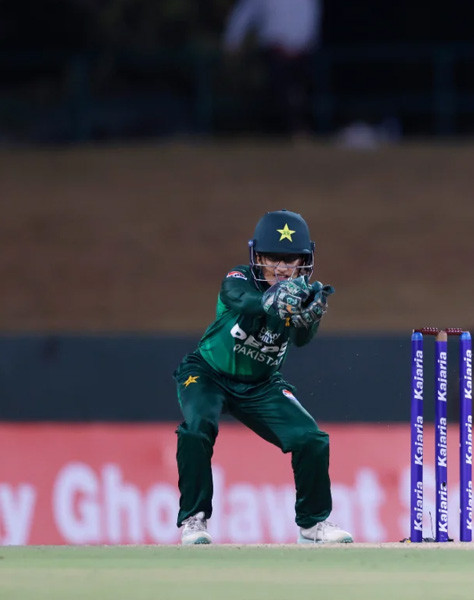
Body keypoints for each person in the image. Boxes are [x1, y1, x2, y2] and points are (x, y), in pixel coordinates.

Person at [174, 209, 352, 545]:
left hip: (261, 384)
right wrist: (272, 300)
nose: (282, 268)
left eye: (291, 259)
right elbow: (239, 299)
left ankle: (313, 523)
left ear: (304, 262)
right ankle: (194, 519)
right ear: (258, 257)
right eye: (273, 258)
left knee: (311, 438)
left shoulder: (300, 296)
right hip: (208, 373)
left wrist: (309, 317)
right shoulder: (238, 277)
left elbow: (301, 340)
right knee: (197, 427)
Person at [222, 0, 322, 136]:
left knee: (301, 94)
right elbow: (245, 12)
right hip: (274, 52)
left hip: (303, 52)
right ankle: (283, 130)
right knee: (278, 92)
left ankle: (299, 129)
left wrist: (308, 44)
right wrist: (233, 39)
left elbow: (312, 18)